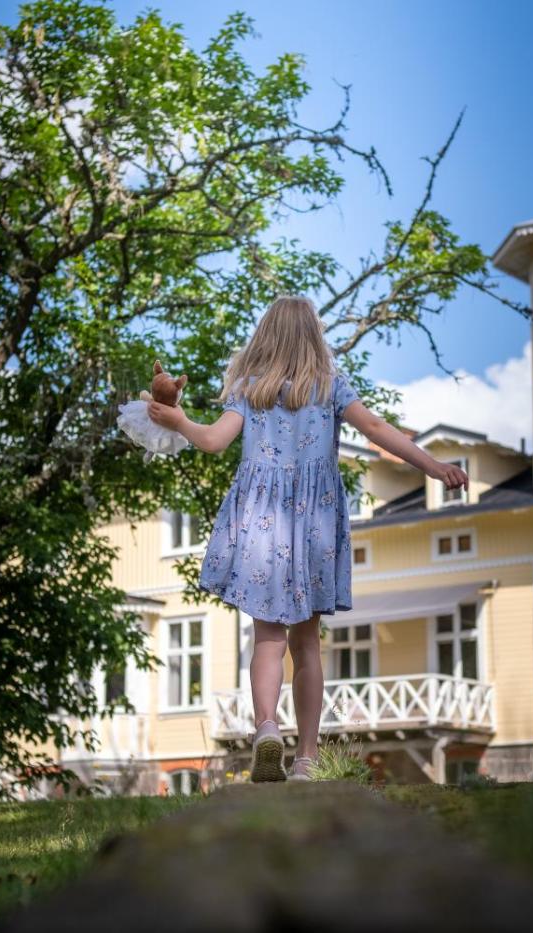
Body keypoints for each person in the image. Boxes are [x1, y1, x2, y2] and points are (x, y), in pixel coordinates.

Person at [147, 295, 468, 782]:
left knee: (267, 639)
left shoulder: (250, 389)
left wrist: (179, 422)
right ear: (314, 338)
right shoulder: (330, 386)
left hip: (261, 523)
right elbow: (376, 428)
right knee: (307, 645)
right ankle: (306, 758)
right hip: (314, 526)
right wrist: (434, 466)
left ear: (264, 337)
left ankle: (267, 728)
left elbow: (213, 440)